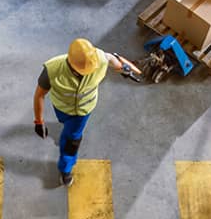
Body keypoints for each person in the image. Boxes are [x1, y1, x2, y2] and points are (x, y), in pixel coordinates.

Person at [33, 38, 140, 186]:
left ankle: (65, 169)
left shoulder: (99, 58)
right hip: (62, 108)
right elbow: (39, 95)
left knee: (72, 140)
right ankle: (67, 132)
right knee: (65, 126)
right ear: (70, 63)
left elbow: (112, 59)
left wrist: (124, 69)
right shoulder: (53, 69)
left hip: (83, 111)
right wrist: (39, 121)